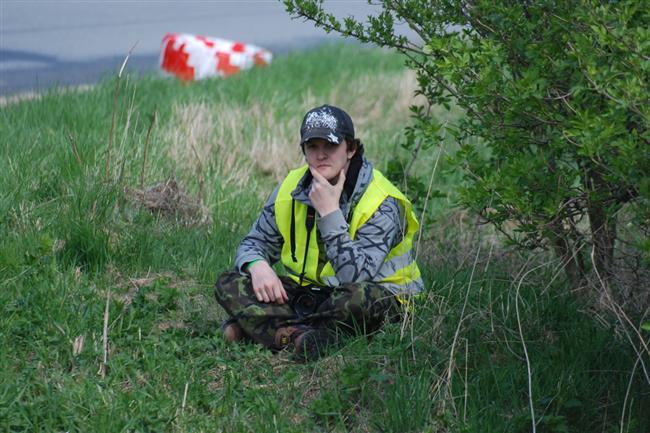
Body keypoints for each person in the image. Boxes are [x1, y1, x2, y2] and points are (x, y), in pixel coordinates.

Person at [214, 104, 423, 361]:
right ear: (304, 151)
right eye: (313, 147)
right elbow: (253, 243)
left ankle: (264, 329)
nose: (321, 155)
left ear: (351, 149)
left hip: (378, 297)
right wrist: (258, 266)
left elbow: (356, 277)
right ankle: (304, 337)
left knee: (357, 300)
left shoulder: (381, 200)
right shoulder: (290, 187)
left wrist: (330, 213)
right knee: (228, 283)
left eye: (331, 146)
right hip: (312, 294)